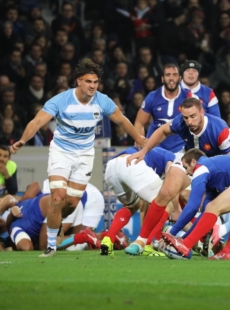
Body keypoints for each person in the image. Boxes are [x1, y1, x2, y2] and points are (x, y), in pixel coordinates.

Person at [10, 59, 145, 257]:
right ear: (79, 81)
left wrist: (138, 139)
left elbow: (122, 120)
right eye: (89, 81)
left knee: (72, 203)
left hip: (85, 154)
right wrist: (22, 140)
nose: (92, 86)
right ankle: (51, 246)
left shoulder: (102, 101)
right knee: (58, 197)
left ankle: (55, 218)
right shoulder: (60, 101)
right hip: (61, 152)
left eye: (96, 82)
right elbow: (37, 121)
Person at [124, 98, 230, 255]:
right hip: (189, 164)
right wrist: (144, 152)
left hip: (216, 171)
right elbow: (163, 131)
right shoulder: (181, 123)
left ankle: (199, 238)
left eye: (193, 116)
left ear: (202, 112)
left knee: (209, 210)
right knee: (166, 191)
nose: (189, 121)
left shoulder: (220, 130)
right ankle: (142, 240)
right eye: (186, 117)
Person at [100, 146, 176, 256]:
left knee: (131, 206)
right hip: (131, 165)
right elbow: (170, 182)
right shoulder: (171, 157)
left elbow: (144, 205)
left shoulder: (152, 151)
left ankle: (108, 239)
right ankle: (147, 245)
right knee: (167, 204)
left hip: (112, 167)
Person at [134, 63, 220, 155]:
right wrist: (140, 139)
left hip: (181, 151)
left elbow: (201, 122)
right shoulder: (152, 96)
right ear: (162, 79)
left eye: (174, 75)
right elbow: (139, 123)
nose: (171, 78)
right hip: (154, 148)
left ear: (180, 78)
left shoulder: (190, 97)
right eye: (168, 75)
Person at [42, 181, 105, 251]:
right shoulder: (48, 186)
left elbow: (43, 243)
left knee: (83, 240)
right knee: (80, 239)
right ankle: (106, 236)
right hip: (70, 199)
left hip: (90, 200)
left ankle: (106, 238)